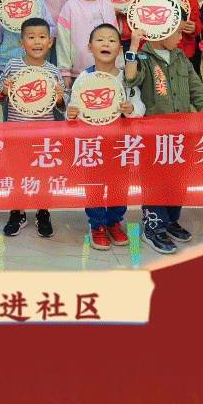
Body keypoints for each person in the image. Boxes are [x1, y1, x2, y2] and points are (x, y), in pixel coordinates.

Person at [124, 10, 203, 255]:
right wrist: (133, 45)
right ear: (162, 29)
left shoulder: (181, 57)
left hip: (181, 135)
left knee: (178, 179)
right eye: (178, 31)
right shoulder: (143, 57)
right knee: (155, 181)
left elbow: (197, 91)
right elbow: (130, 79)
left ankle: (171, 220)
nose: (181, 37)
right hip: (153, 137)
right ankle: (153, 227)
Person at [66, 24, 145, 250]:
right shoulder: (83, 78)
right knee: (94, 184)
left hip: (120, 144)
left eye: (112, 40)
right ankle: (97, 225)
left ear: (119, 49)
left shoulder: (126, 78)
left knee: (120, 184)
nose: (106, 44)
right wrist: (70, 113)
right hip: (92, 144)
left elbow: (140, 106)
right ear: (90, 47)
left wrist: (131, 108)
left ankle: (114, 222)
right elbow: (72, 109)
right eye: (100, 40)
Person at [0, 17, 67, 238]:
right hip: (17, 132)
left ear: (50, 42)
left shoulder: (53, 70)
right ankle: (17, 212)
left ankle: (43, 212)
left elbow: (62, 104)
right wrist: (4, 88)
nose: (37, 41)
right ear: (22, 43)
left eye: (42, 37)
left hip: (44, 135)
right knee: (16, 173)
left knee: (43, 174)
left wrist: (60, 97)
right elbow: (0, 93)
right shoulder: (12, 66)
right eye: (31, 37)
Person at [56, 0, 118, 90]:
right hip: (78, 73)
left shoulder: (107, 6)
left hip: (108, 72)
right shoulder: (70, 7)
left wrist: (119, 67)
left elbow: (115, 38)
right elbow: (63, 41)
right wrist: (65, 71)